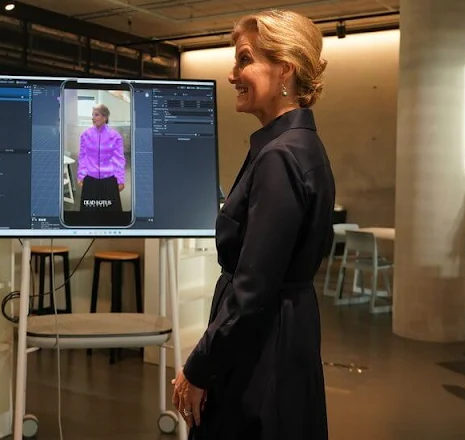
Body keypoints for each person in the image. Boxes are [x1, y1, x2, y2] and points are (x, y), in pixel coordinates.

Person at [172, 9, 334, 440]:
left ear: (285, 69)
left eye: (244, 60)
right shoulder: (302, 146)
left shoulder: (279, 155)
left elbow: (251, 291)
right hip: (285, 336)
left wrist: (198, 369)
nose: (232, 74)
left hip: (261, 351)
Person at [76, 104, 126, 212]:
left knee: (111, 215)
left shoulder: (115, 136)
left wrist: (120, 179)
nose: (93, 118)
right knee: (89, 215)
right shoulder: (86, 135)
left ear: (105, 117)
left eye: (96, 115)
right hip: (90, 180)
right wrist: (81, 175)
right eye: (92, 115)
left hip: (109, 181)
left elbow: (119, 159)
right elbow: (82, 156)